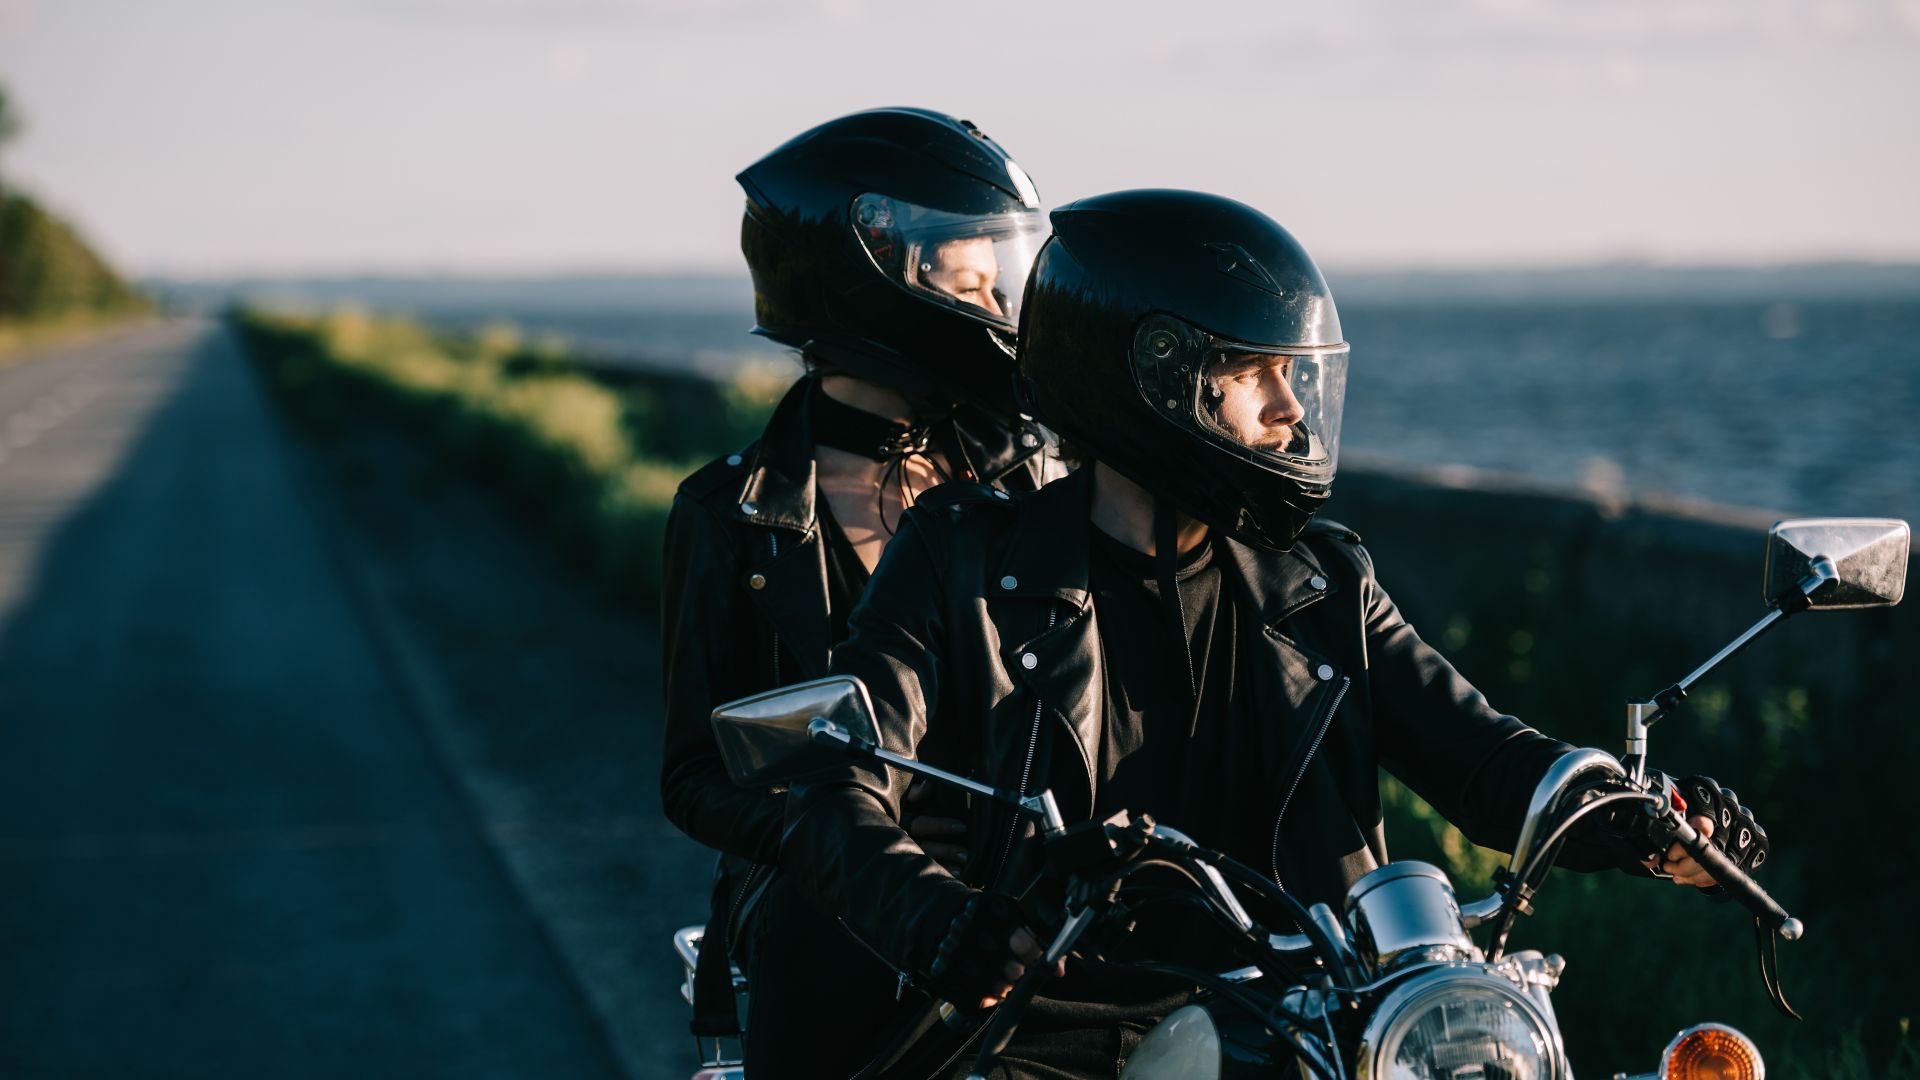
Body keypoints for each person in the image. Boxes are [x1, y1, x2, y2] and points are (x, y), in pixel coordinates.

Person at [776, 189, 1770, 1078]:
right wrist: (939, 915)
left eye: (1295, 376)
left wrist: (1643, 815)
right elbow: (835, 775)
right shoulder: (960, 562)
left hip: (1300, 1027)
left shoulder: (1323, 585)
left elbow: (1485, 757)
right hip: (1040, 1033)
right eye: (1258, 375)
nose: (1293, 411)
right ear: (1156, 375)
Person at [658, 107, 1058, 1077]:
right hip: (829, 915)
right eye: (969, 283)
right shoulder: (730, 511)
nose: (997, 308)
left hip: (1020, 900)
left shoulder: (1027, 481)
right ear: (873, 285)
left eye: (995, 279)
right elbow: (693, 776)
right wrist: (832, 835)